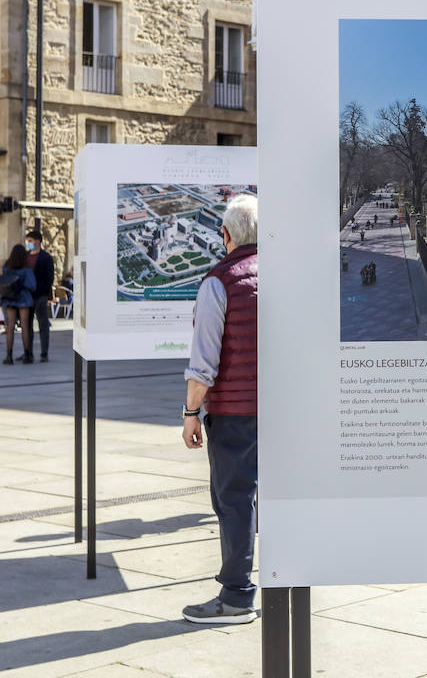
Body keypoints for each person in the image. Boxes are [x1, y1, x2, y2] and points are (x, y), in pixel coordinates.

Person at [180, 194, 260, 624]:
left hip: (234, 412)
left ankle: (236, 598)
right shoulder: (283, 276)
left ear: (225, 235)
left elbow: (204, 360)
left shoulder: (219, 282)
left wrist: (191, 412)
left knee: (234, 500)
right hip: (283, 410)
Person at [0, 244, 36, 365]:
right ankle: (27, 355)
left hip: (10, 298)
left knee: (10, 327)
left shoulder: (7, 267)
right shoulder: (26, 268)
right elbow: (32, 285)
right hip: (23, 298)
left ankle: (9, 356)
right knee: (25, 327)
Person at [25, 229, 55, 362]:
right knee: (27, 325)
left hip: (40, 295)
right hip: (27, 295)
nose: (28, 243)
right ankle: (28, 352)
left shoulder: (46, 257)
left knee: (43, 324)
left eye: (30, 241)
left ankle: (44, 353)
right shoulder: (25, 256)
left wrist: (44, 293)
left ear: (38, 241)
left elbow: (50, 277)